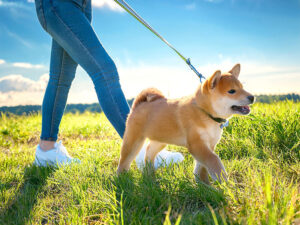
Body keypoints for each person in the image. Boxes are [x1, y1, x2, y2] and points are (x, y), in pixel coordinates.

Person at [33, 0, 183, 167]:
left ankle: (47, 151)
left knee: (61, 78)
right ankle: (141, 151)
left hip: (79, 6)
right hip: (60, 4)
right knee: (105, 71)